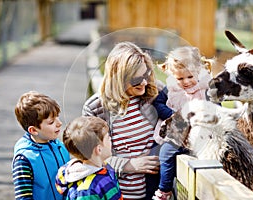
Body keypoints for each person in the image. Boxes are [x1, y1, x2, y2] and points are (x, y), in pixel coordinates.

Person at [82, 41, 161, 200]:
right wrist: (129, 166)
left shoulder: (153, 94)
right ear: (119, 78)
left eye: (146, 75)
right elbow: (90, 157)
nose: (144, 82)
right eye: (137, 79)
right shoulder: (95, 108)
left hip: (153, 191)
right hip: (114, 193)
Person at [152, 46, 214, 200]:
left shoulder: (207, 88)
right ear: (173, 76)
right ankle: (164, 190)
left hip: (201, 134)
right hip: (178, 132)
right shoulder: (172, 89)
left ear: (198, 70)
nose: (186, 82)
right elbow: (158, 104)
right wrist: (173, 115)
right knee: (165, 153)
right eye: (180, 78)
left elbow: (216, 108)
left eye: (190, 76)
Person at [12, 91, 70, 200]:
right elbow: (23, 197)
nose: (59, 123)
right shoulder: (24, 160)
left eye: (57, 117)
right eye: (51, 122)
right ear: (33, 130)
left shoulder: (60, 147)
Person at [55, 116, 123, 200]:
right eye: (107, 137)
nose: (110, 139)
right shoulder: (86, 191)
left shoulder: (103, 166)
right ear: (98, 149)